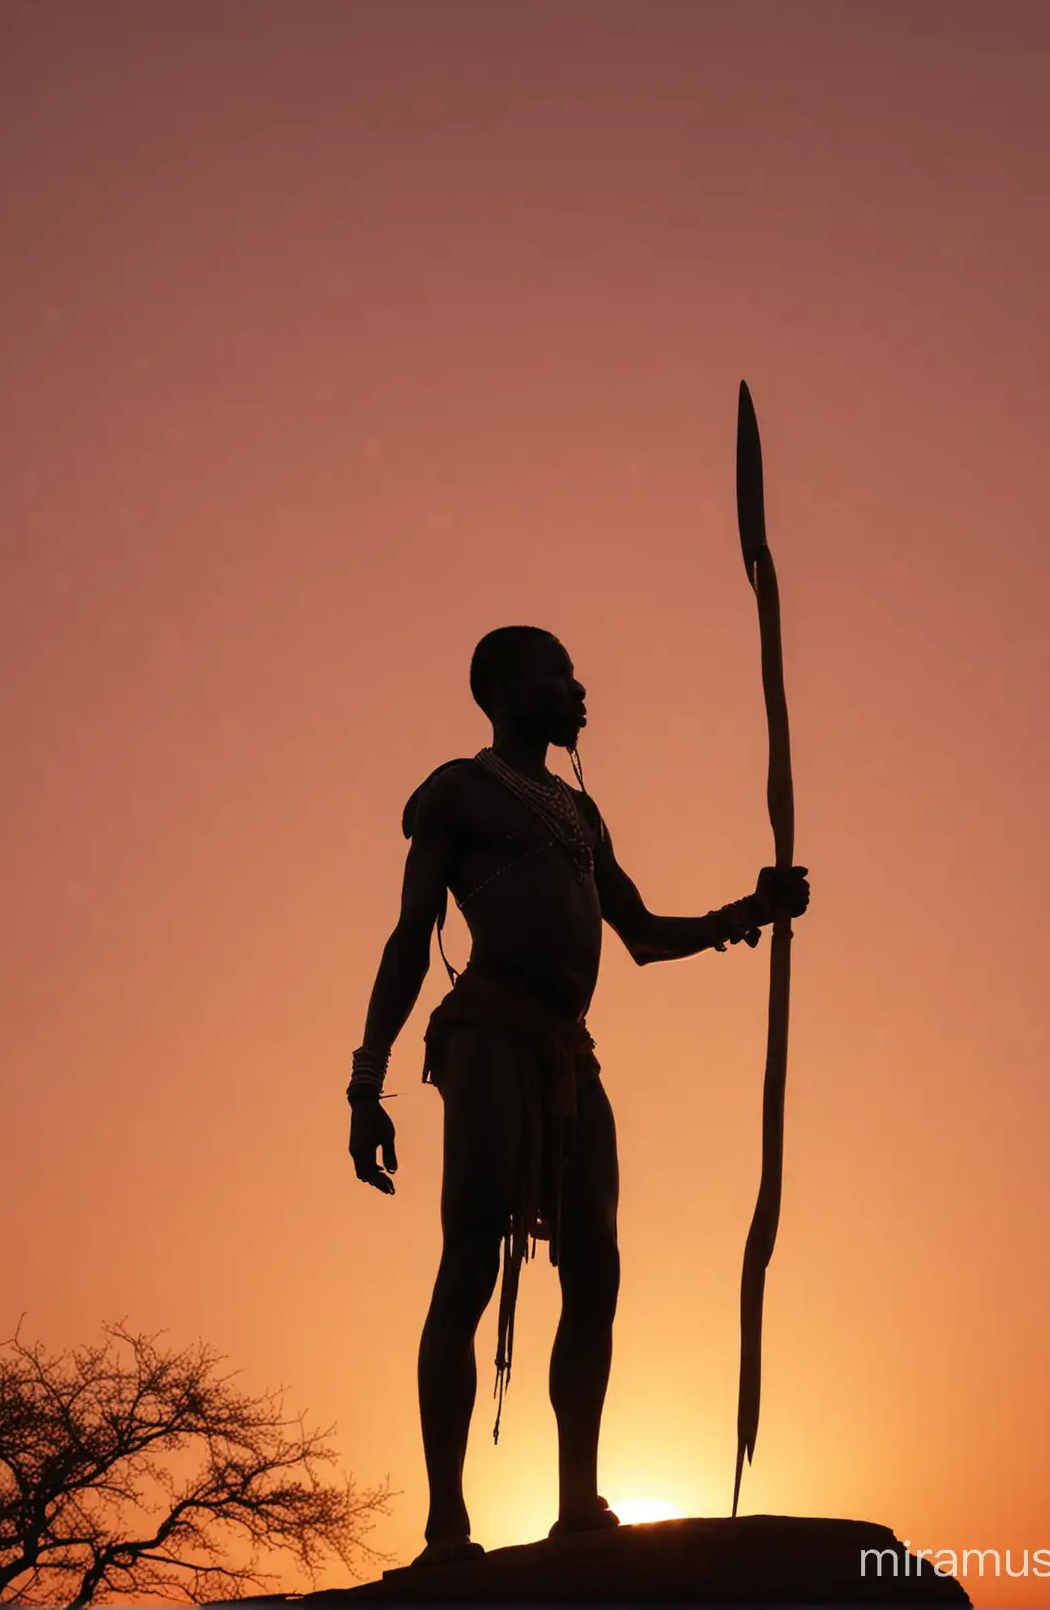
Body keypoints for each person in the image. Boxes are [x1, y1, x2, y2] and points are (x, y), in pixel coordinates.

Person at [347, 626, 810, 1564]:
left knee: (595, 1268)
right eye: (561, 675)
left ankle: (576, 1504)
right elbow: (409, 939)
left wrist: (747, 913)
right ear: (508, 687)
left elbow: (637, 932)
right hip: (484, 1036)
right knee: (470, 1259)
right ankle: (447, 1526)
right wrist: (367, 1081)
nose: (580, 690)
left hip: (568, 1052)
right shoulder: (458, 791)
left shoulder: (579, 813)